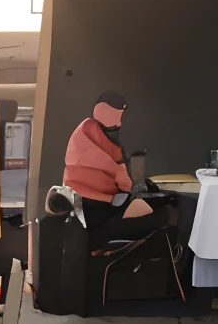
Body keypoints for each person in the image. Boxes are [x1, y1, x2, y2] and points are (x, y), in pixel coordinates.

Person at [61, 91, 160, 241]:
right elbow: (120, 173)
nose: (119, 122)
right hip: (93, 204)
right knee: (156, 214)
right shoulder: (91, 131)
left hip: (93, 201)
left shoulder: (89, 130)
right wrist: (129, 184)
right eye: (117, 115)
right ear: (102, 110)